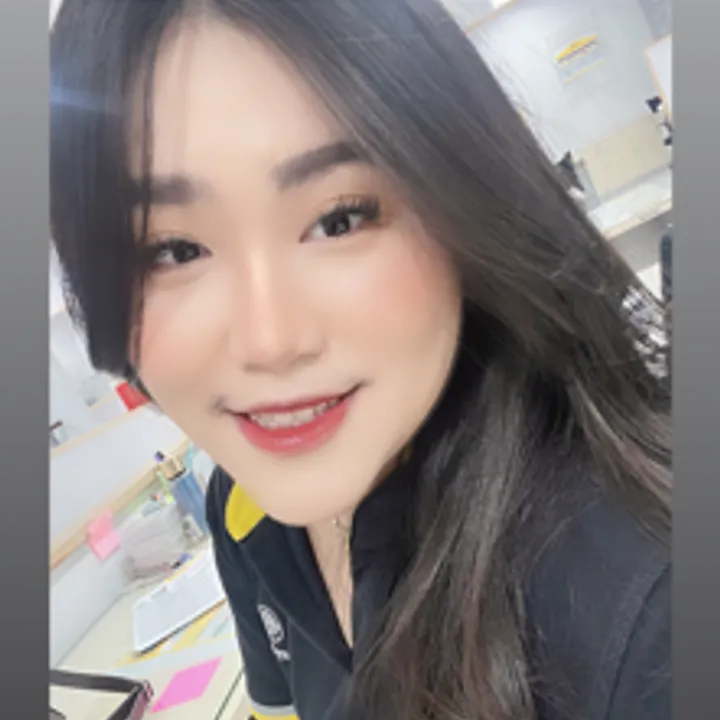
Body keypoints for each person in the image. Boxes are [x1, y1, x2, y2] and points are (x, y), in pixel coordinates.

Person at [50, 1, 671, 719]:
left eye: (339, 219)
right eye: (173, 250)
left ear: (463, 204)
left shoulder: (645, 622)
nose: (270, 341)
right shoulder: (242, 508)